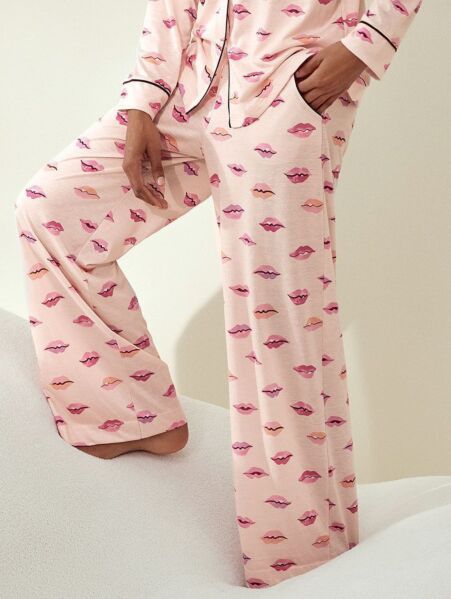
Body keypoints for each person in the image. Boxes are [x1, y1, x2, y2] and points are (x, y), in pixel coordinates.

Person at [14, 0, 424, 589]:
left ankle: (301, 559)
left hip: (285, 87)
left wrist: (363, 46)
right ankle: (126, 414)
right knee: (49, 208)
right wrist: (142, 100)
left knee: (274, 321)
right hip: (189, 85)